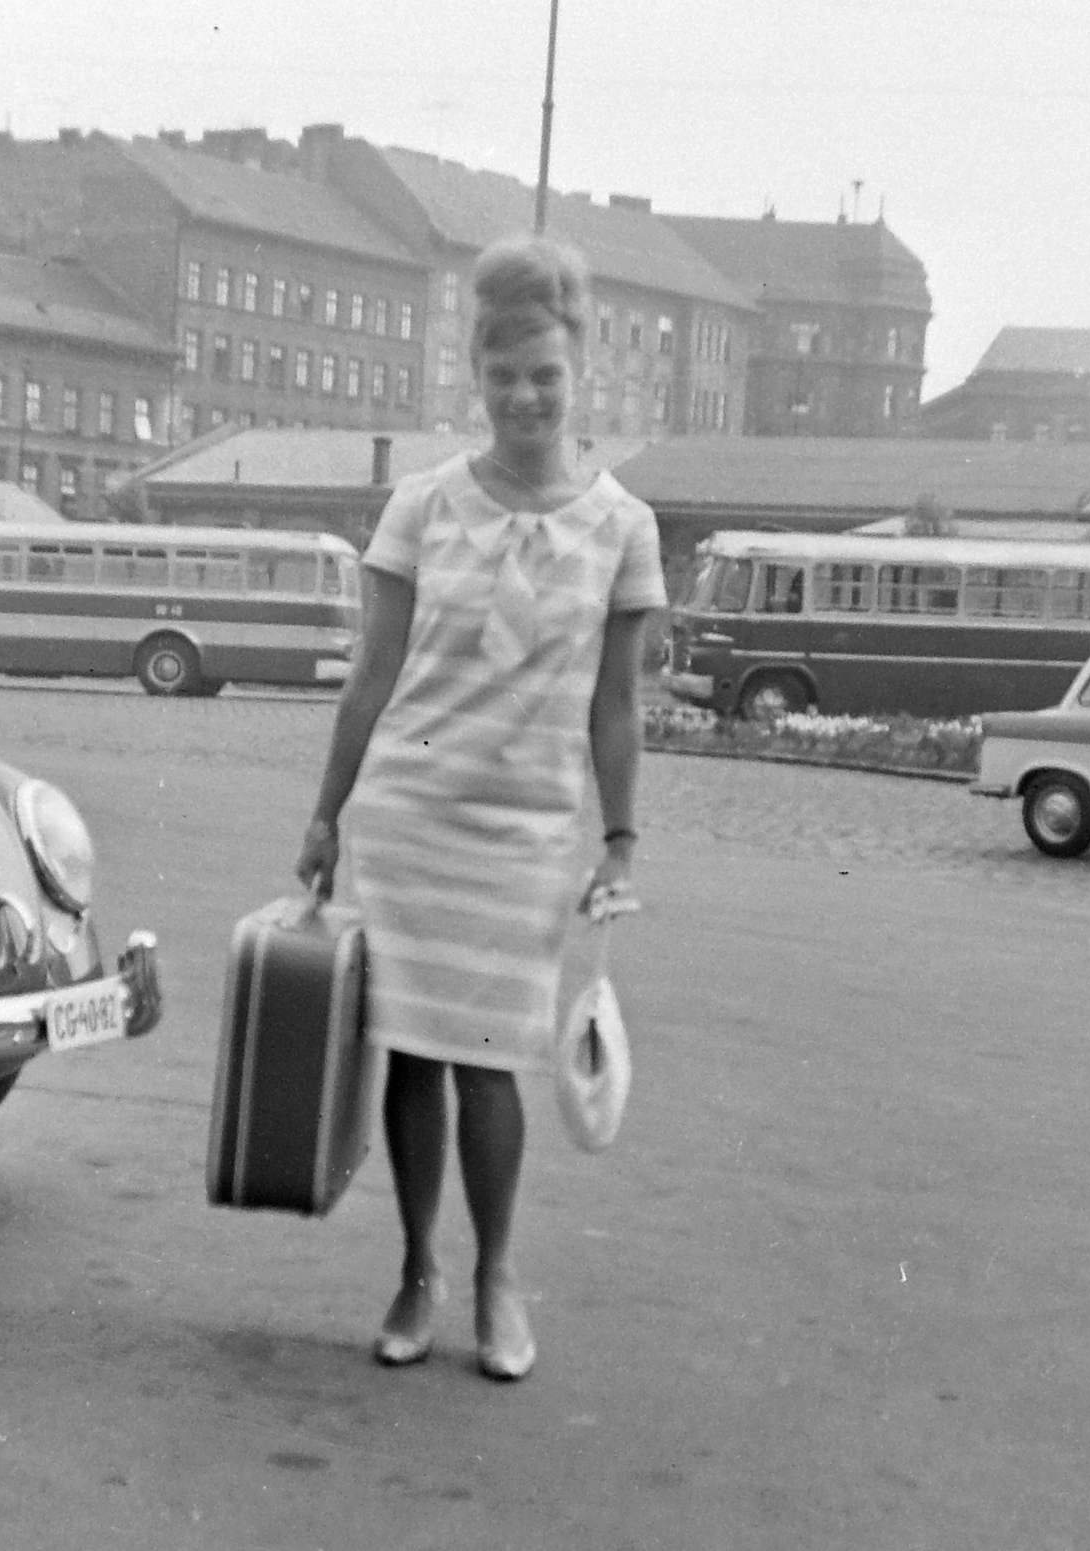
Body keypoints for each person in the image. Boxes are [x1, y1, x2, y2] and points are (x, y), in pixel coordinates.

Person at [295, 235, 667, 1382]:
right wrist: (325, 814)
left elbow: (615, 709)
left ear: (579, 377)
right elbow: (376, 677)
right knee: (411, 1055)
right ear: (475, 374)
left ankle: (497, 1277)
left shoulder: (622, 527)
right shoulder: (422, 507)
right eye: (503, 376)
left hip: (526, 831)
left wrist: (616, 838)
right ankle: (417, 1269)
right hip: (412, 809)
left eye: (545, 377)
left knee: (492, 1062)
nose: (524, 397)